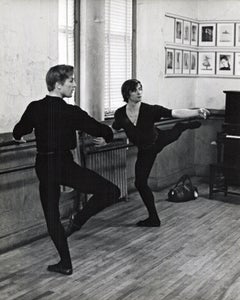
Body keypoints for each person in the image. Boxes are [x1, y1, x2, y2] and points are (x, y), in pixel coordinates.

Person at [13, 65, 120, 275]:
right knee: (111, 191)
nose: (74, 84)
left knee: (52, 216)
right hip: (64, 165)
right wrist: (106, 137)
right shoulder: (71, 111)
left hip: (44, 166)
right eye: (71, 80)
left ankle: (65, 263)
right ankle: (78, 220)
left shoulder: (35, 107)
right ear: (58, 84)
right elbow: (101, 129)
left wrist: (18, 137)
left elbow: (19, 130)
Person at [112, 79, 209, 228]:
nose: (139, 92)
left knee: (175, 132)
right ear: (127, 93)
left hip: (157, 140)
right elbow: (114, 129)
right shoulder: (120, 114)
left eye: (140, 89)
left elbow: (174, 112)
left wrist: (196, 111)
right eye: (135, 90)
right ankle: (154, 219)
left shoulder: (150, 110)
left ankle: (183, 126)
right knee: (140, 183)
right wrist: (103, 138)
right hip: (145, 150)